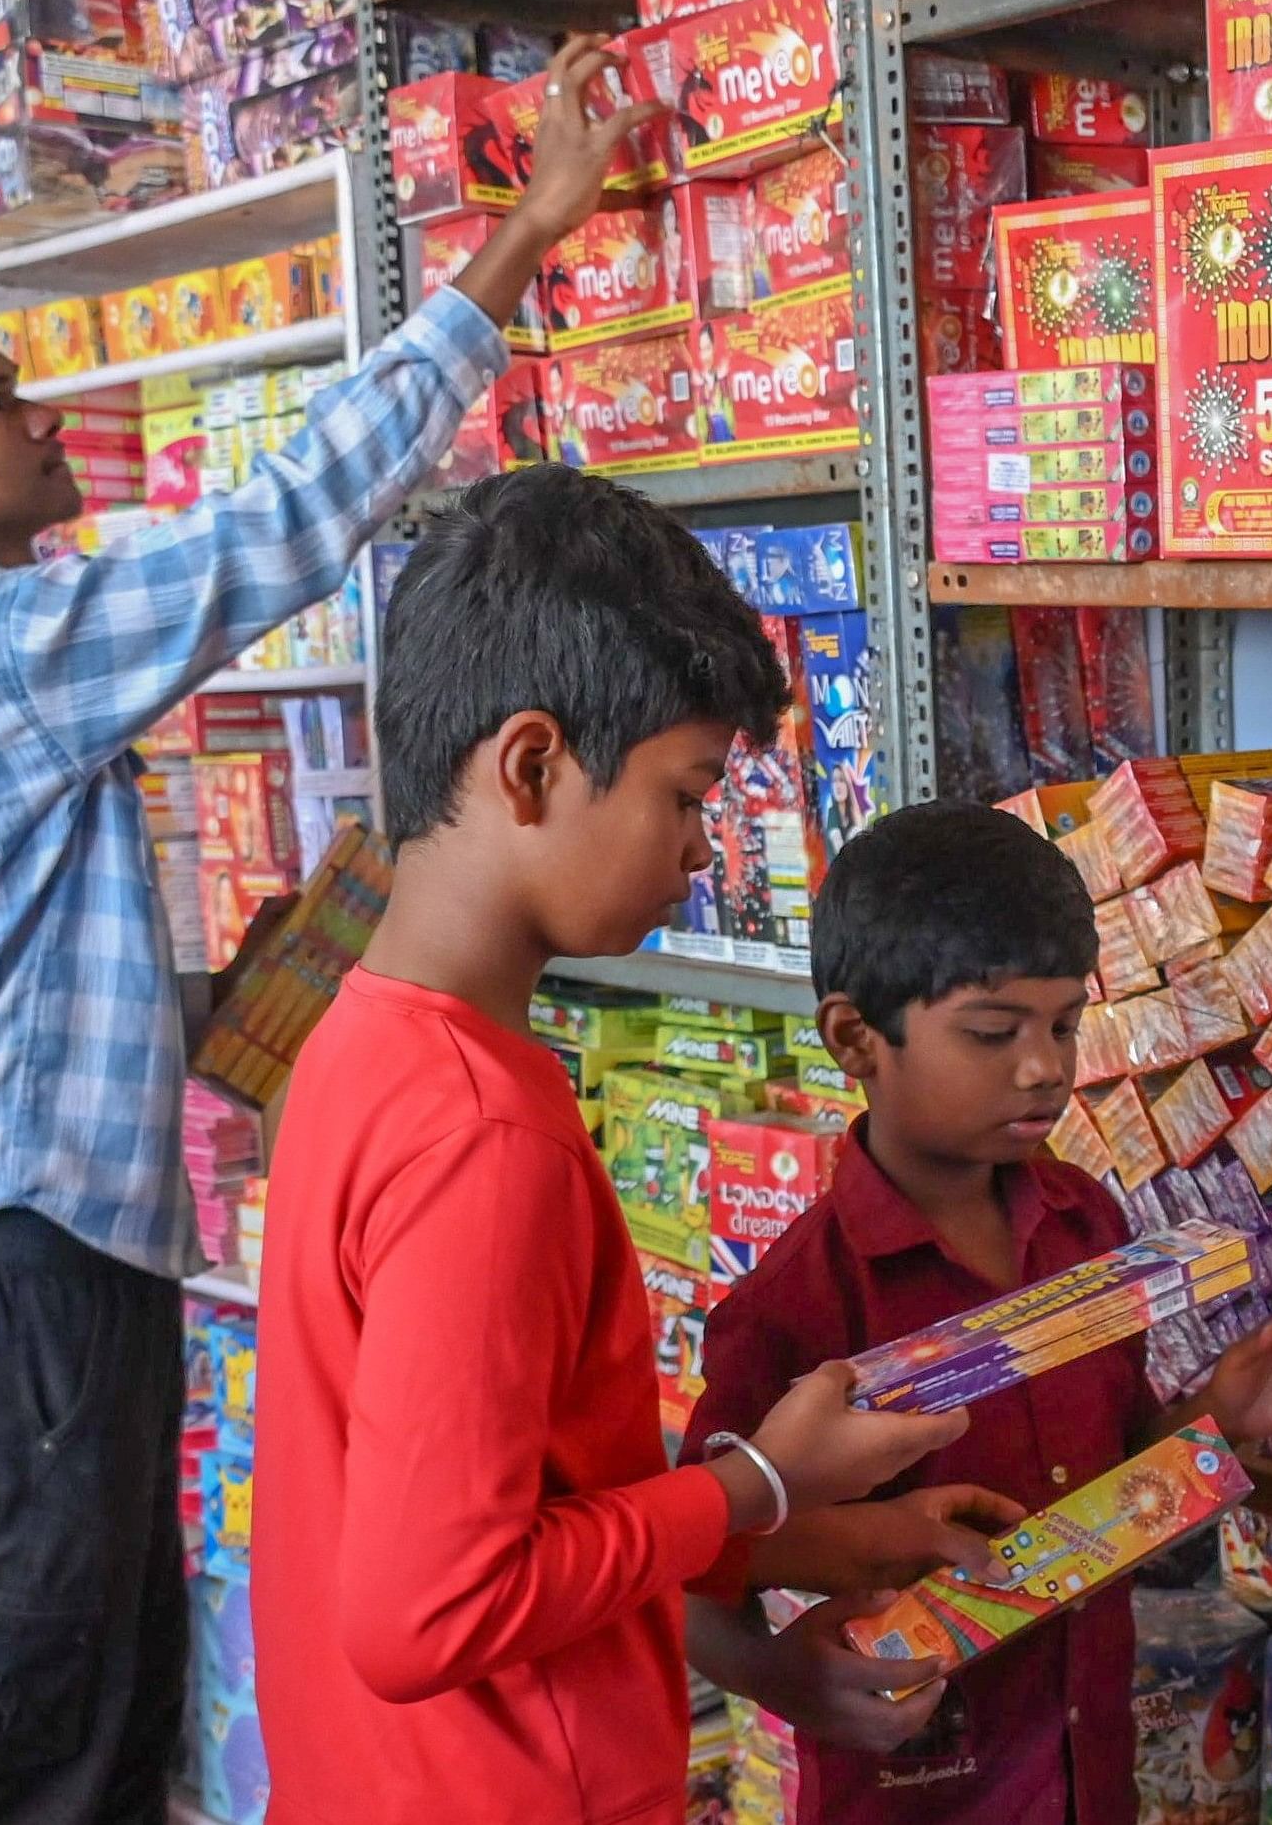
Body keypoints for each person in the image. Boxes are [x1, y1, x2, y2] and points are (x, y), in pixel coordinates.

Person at [0, 33, 654, 1825]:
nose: (45, 418)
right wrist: (526, 231)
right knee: (30, 1750)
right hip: (19, 1282)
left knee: (81, 1719)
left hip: (2, 1277)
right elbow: (282, 526)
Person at [255, 468, 999, 1822]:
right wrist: (755, 1480)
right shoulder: (485, 1140)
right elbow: (428, 1614)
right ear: (531, 765)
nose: (704, 850)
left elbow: (496, 1504)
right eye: (685, 794)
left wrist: (791, 1526)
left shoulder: (364, 1044)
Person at [684, 801, 1272, 1825]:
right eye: (993, 1032)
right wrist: (781, 1679)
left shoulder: (1085, 1224)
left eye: (1063, 1024)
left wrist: (1219, 1415)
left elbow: (1096, 1510)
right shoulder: (799, 1303)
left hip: (1087, 1773)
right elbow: (685, 1574)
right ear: (855, 1038)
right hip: (916, 1795)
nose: (1044, 1067)